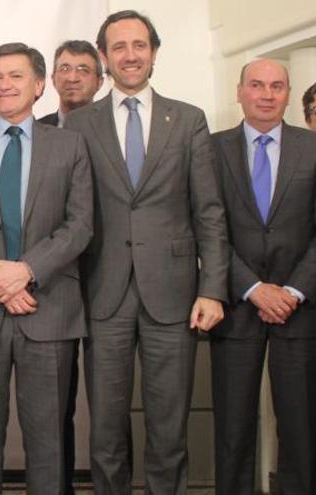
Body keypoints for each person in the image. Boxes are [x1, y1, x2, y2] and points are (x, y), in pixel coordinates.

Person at [64, 10, 229, 495]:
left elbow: (210, 212)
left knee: (169, 428)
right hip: (103, 293)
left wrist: (214, 288)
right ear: (104, 58)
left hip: (175, 295)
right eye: (119, 47)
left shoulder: (189, 119)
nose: (130, 55)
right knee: (107, 433)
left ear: (154, 52)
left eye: (139, 45)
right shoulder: (80, 124)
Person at [0, 42, 93, 495]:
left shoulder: (70, 145)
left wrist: (26, 271)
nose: (4, 85)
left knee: (48, 441)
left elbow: (80, 224)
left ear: (39, 85)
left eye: (15, 76)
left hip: (47, 308)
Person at [211, 58, 316, 495]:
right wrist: (253, 288)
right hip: (237, 306)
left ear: (288, 94)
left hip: (300, 307)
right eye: (257, 85)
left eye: (277, 86)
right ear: (240, 92)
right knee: (233, 429)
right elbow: (207, 229)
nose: (267, 95)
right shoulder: (210, 149)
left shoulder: (312, 147)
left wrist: (292, 290)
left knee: (303, 428)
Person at [38, 38, 104, 494]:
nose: (74, 76)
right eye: (65, 67)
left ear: (101, 79)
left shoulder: (113, 131)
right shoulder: (34, 130)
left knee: (106, 407)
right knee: (53, 407)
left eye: (84, 68)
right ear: (51, 79)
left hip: (107, 283)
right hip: (49, 287)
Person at [39, 40, 104, 128]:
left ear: (99, 82)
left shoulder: (112, 129)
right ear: (53, 79)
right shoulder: (35, 131)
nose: (72, 78)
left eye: (83, 70)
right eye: (65, 69)